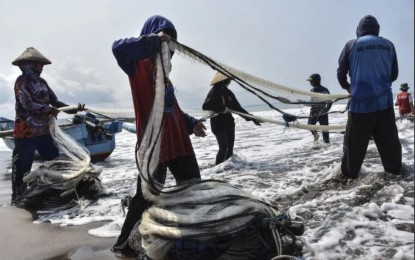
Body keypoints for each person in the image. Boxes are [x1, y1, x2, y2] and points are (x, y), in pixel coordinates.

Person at [111, 15, 206, 257]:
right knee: (146, 195)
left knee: (192, 187)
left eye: (172, 39)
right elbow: (117, 47)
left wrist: (192, 123)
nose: (169, 44)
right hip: (155, 144)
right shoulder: (136, 65)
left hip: (179, 142)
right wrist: (154, 40)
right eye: (166, 36)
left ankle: (193, 233)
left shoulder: (165, 75)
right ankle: (124, 245)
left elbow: (173, 109)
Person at [11, 47, 80, 205]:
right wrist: (48, 109)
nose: (42, 68)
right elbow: (27, 103)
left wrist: (73, 109)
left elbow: (55, 102)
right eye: (40, 65)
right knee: (23, 169)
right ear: (30, 64)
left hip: (43, 132)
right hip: (25, 134)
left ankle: (53, 193)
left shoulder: (42, 83)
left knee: (53, 162)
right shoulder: (21, 82)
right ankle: (18, 201)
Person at [337, 15, 402, 179]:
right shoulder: (389, 45)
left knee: (354, 147)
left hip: (359, 106)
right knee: (389, 144)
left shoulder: (351, 45)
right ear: (377, 29)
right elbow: (394, 74)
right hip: (384, 105)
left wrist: (348, 87)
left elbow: (341, 72)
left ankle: (349, 178)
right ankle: (395, 175)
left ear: (359, 30)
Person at [202, 72, 261, 165]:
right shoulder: (214, 91)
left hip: (229, 123)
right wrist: (221, 108)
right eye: (229, 78)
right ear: (223, 79)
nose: (230, 80)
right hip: (218, 125)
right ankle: (216, 170)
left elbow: (238, 108)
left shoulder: (228, 92)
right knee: (223, 148)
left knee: (229, 150)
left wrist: (252, 118)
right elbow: (206, 106)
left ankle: (228, 171)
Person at [306, 73, 331, 144]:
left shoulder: (313, 90)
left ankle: (315, 135)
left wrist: (303, 103)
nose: (310, 82)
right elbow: (330, 101)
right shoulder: (325, 90)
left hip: (315, 112)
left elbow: (311, 103)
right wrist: (326, 110)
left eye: (311, 81)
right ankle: (327, 146)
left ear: (315, 81)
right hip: (323, 112)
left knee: (310, 125)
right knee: (325, 131)